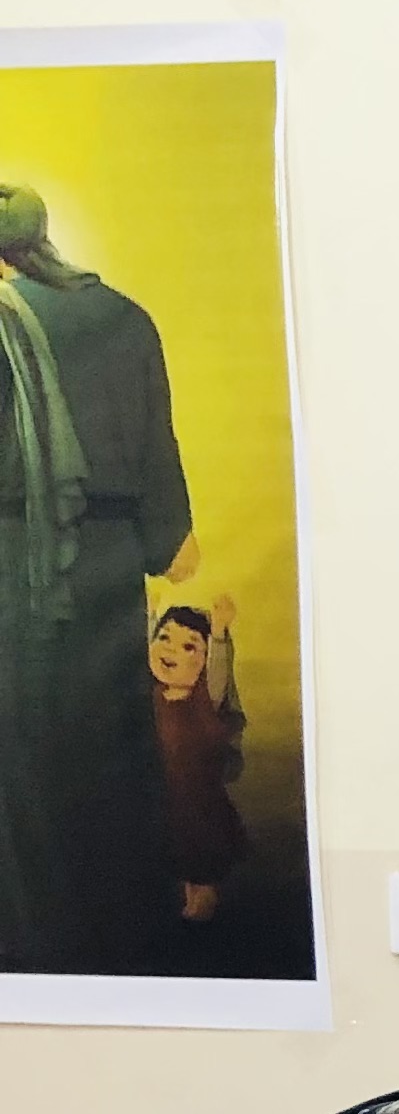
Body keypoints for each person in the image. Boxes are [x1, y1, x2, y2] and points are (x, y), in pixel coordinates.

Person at [0, 178, 196, 970]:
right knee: (109, 754)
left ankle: (34, 954)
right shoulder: (123, 315)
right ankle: (122, 951)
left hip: (15, 569)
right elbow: (159, 460)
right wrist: (166, 540)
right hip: (108, 567)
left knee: (21, 768)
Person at [147, 594, 249, 919]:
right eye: (165, 638)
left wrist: (217, 633)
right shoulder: (150, 697)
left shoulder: (206, 701)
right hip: (164, 803)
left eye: (189, 646)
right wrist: (151, 614)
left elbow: (219, 671)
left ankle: (203, 916)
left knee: (201, 872)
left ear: (205, 661)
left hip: (200, 808)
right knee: (169, 867)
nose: (171, 651)